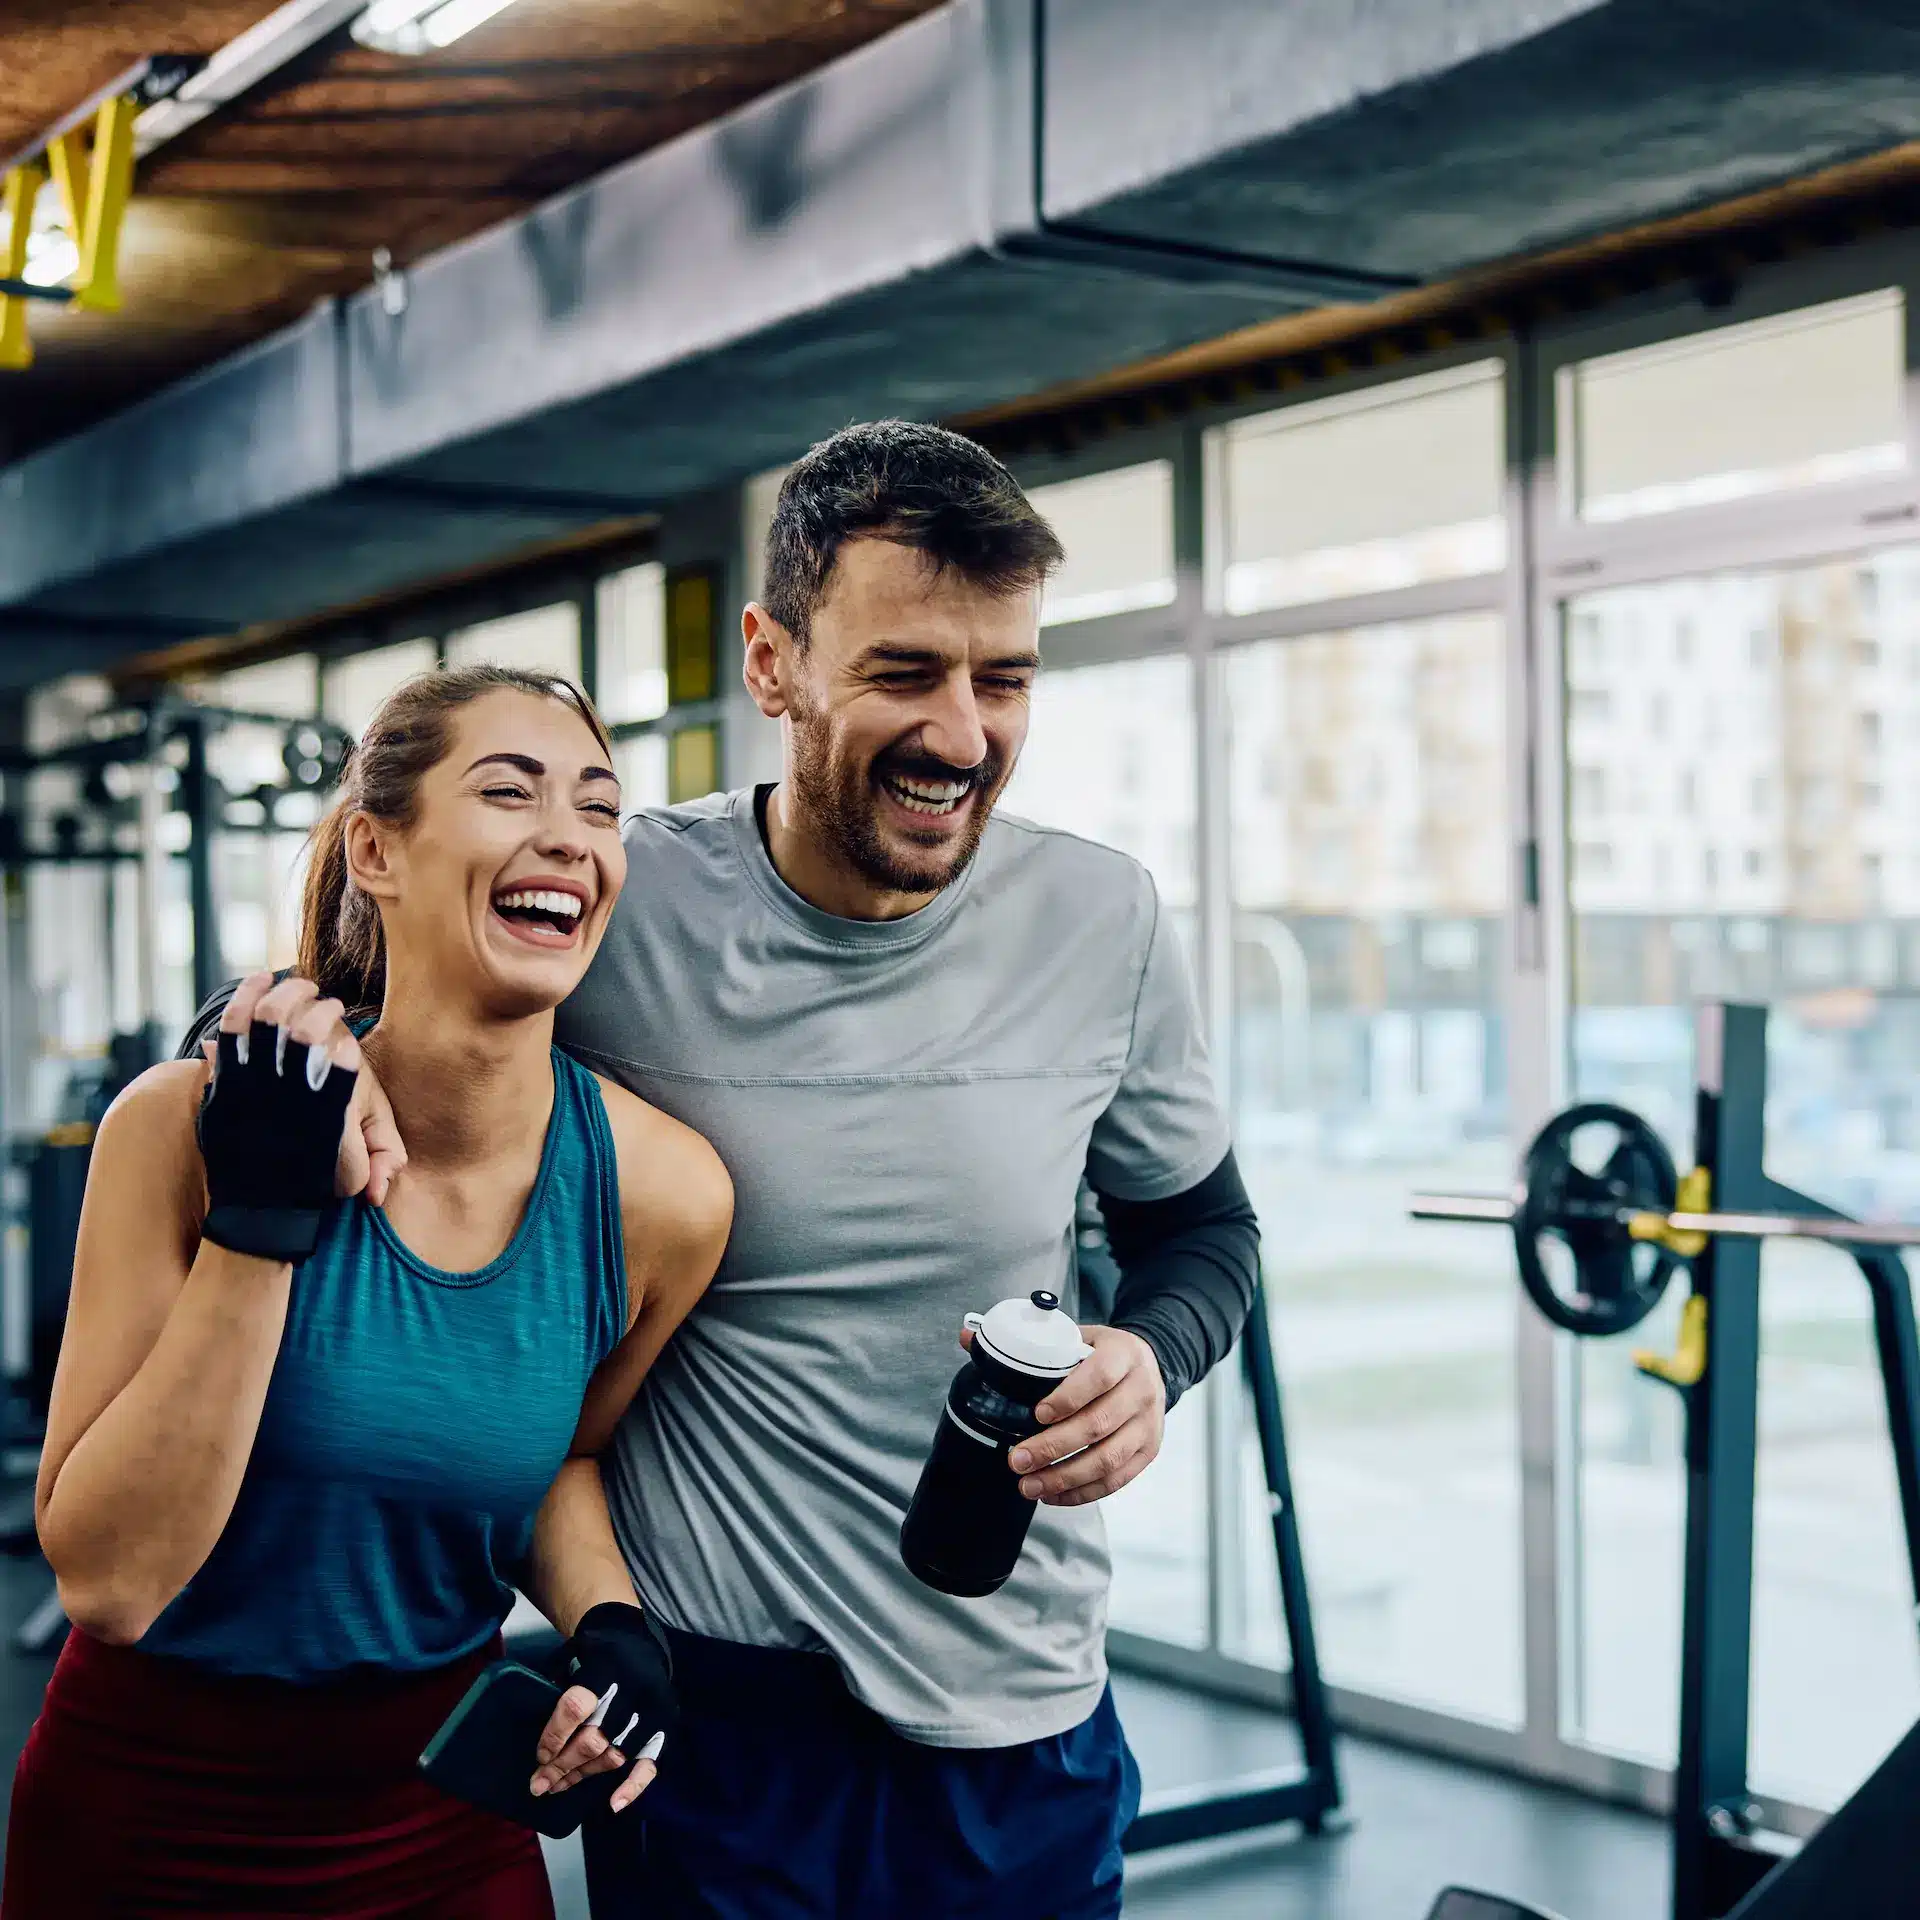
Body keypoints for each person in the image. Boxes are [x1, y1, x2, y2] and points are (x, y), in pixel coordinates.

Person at [286, 420, 1260, 1920]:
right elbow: (367, 981)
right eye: (903, 672)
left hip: (1013, 1706)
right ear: (773, 663)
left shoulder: (1101, 918)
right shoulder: (617, 895)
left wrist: (1152, 1352)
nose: (962, 732)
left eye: (1004, 680)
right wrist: (261, 1021)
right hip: (716, 1723)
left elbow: (1205, 1228)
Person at [3, 666, 733, 1919]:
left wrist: (612, 1625)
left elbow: (566, 1455)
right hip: (146, 1816)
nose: (567, 834)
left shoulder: (661, 1196)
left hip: (441, 1823)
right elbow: (111, 1585)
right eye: (509, 792)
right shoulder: (179, 1128)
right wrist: (262, 1221)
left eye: (600, 808)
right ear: (377, 850)